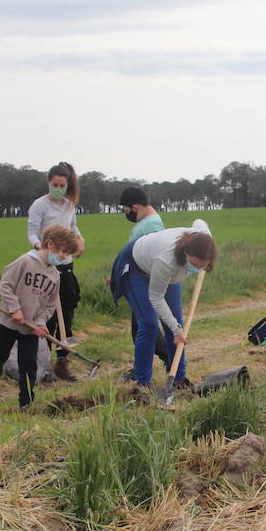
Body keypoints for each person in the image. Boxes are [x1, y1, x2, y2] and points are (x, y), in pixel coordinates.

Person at [110, 220, 216, 402]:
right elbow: (156, 298)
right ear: (185, 253)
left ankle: (179, 378)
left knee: (176, 322)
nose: (197, 269)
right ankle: (143, 383)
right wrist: (175, 330)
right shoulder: (167, 260)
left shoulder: (205, 240)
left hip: (166, 271)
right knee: (149, 324)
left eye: (202, 266)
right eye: (195, 265)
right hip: (136, 267)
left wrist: (176, 328)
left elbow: (199, 221)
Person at [0, 224, 83, 409]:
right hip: (8, 322)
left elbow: (50, 305)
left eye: (68, 254)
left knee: (29, 364)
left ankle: (26, 402)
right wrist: (15, 308)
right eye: (63, 251)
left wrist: (40, 322)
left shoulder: (55, 276)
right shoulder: (25, 262)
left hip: (30, 328)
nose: (64, 257)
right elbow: (6, 285)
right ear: (50, 243)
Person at [26, 162, 85, 381]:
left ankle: (63, 359)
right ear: (48, 183)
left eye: (62, 185)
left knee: (67, 310)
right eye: (55, 184)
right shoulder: (39, 205)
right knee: (46, 312)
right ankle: (43, 360)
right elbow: (32, 233)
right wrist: (41, 248)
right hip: (45, 263)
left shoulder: (70, 206)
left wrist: (80, 239)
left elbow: (73, 228)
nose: (58, 188)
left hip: (66, 264)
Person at [117, 186, 167, 378]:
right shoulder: (147, 223)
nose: (126, 214)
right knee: (141, 327)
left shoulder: (151, 226)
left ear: (136, 207)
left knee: (145, 327)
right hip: (140, 281)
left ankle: (169, 360)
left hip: (143, 282)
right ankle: (146, 366)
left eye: (126, 210)